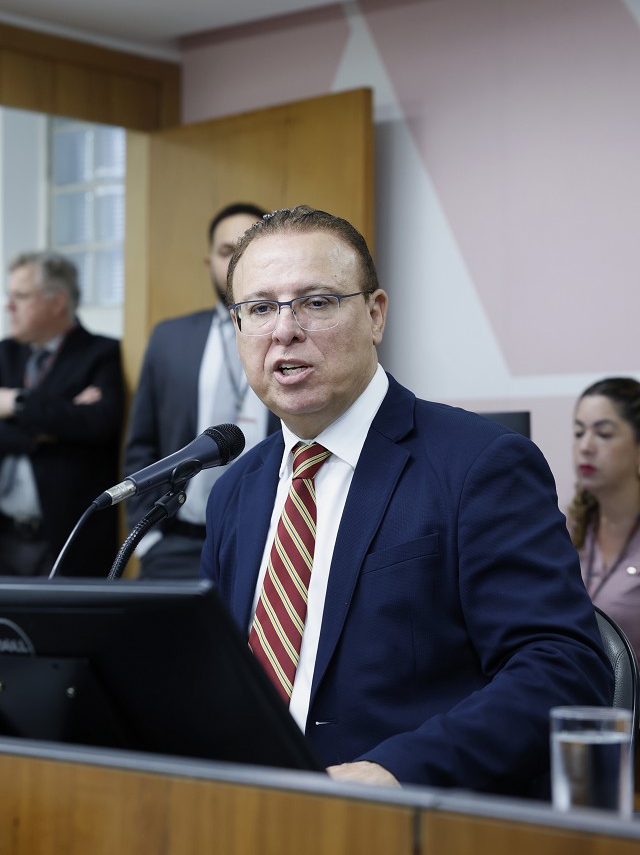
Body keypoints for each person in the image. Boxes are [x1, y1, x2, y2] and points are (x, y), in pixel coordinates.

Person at [200, 205, 613, 797]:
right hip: (248, 810)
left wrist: (398, 770)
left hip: (410, 815)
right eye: (260, 308)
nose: (285, 330)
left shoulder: (481, 464)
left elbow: (562, 669)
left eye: (316, 302)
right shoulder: (235, 490)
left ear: (375, 315)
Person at [123, 202, 280, 578]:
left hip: (270, 543)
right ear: (209, 262)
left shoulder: (293, 337)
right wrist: (148, 540)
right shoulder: (170, 338)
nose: (236, 262)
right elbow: (142, 444)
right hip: (177, 545)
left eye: (248, 249)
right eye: (227, 251)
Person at [0, 250, 125, 576]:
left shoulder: (102, 352)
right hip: (5, 534)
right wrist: (56, 422)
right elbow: (74, 421)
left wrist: (16, 403)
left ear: (57, 302)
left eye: (20, 296)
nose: (8, 306)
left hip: (68, 539)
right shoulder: (5, 353)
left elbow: (97, 423)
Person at [568, 377, 640, 664]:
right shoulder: (566, 528)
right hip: (576, 687)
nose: (585, 446)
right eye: (578, 432)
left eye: (604, 434)